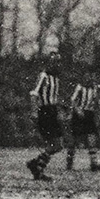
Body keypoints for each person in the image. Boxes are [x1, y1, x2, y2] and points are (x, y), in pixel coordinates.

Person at [26, 51, 64, 181]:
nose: (56, 64)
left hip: (52, 111)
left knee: (57, 144)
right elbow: (34, 94)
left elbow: (54, 98)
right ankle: (38, 168)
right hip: (45, 111)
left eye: (58, 62)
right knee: (55, 144)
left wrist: (59, 111)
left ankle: (36, 165)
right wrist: (34, 111)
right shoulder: (43, 76)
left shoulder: (56, 79)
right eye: (54, 62)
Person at [66, 67, 100, 172]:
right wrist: (77, 110)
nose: (89, 78)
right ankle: (69, 162)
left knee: (92, 138)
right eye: (87, 76)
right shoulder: (79, 87)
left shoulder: (95, 88)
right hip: (79, 114)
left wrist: (97, 113)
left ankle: (94, 163)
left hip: (89, 114)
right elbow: (73, 100)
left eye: (91, 76)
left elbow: (96, 101)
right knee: (74, 139)